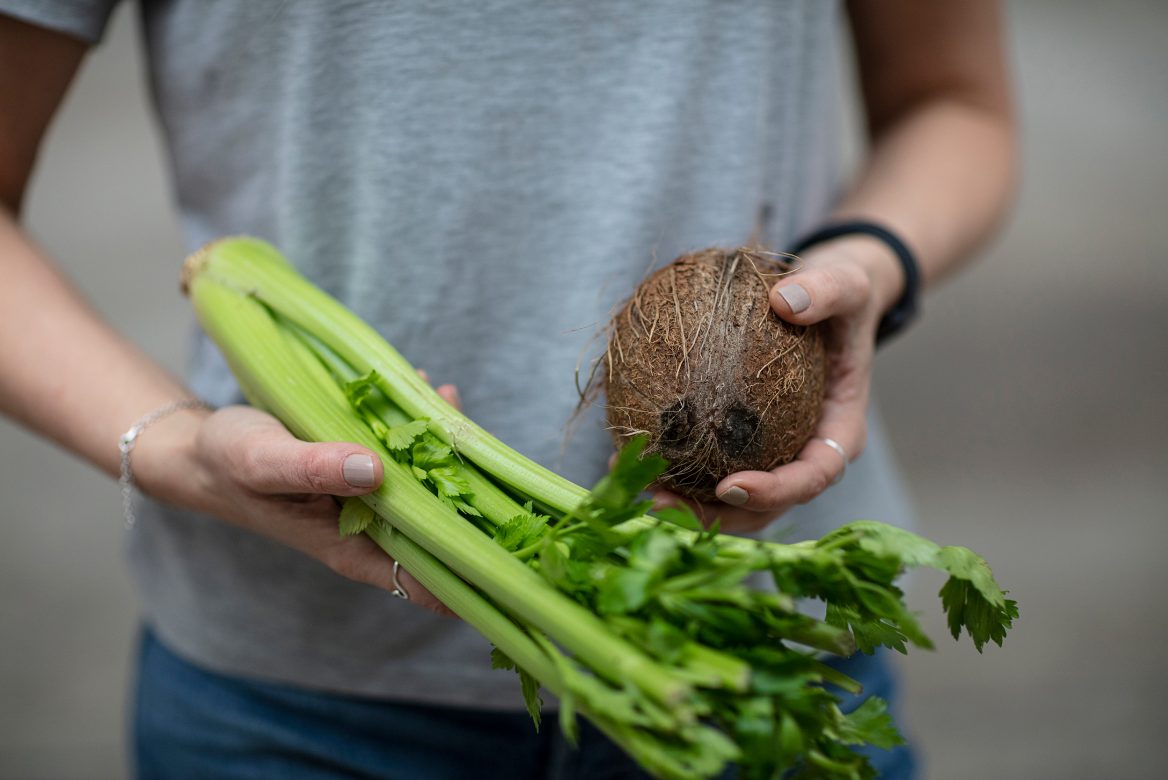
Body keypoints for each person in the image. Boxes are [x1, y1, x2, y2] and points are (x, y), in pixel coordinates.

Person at [0, 1, 1015, 777]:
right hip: (288, 709)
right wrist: (173, 446)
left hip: (753, 649)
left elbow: (955, 103)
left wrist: (867, 265)